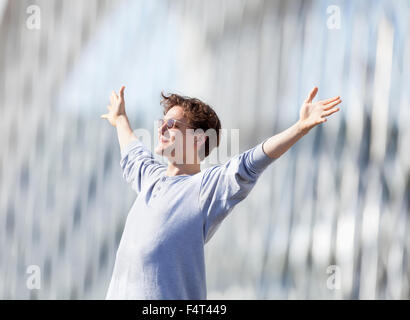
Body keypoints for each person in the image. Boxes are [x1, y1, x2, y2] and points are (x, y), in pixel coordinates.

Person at [101, 85, 341, 299]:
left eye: (172, 124)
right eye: (162, 122)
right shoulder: (149, 177)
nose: (162, 127)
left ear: (197, 140)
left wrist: (299, 128)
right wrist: (120, 117)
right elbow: (132, 148)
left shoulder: (204, 188)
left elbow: (251, 162)